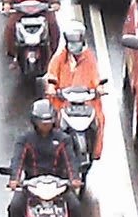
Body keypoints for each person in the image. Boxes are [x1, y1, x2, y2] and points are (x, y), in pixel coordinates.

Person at [6, 99, 78, 217]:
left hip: (58, 185)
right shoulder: (25, 139)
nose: (46, 125)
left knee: (75, 207)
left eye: (48, 121)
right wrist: (14, 179)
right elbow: (17, 159)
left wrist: (74, 179)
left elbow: (71, 160)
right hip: (32, 185)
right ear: (34, 122)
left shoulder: (63, 139)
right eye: (42, 122)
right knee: (14, 208)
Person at [43, 22, 105, 157]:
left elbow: (95, 75)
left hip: (85, 101)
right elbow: (52, 75)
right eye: (70, 42)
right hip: (63, 100)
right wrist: (52, 88)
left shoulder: (89, 57)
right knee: (48, 123)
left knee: (99, 120)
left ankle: (94, 152)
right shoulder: (59, 58)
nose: (73, 46)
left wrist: (99, 88)